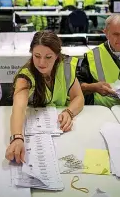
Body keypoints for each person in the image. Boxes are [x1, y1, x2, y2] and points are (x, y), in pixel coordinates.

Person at [5, 31, 84, 163]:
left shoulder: (66, 67)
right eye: (37, 56)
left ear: (57, 56)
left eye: (48, 57)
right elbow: (18, 108)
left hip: (60, 132)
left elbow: (78, 97)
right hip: (37, 134)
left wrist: (69, 112)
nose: (42, 62)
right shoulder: (25, 76)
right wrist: (17, 138)